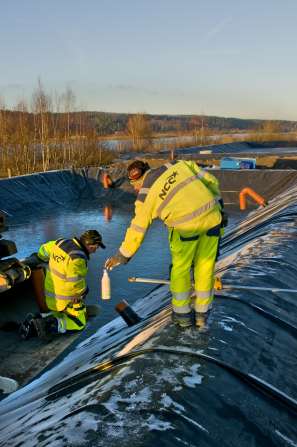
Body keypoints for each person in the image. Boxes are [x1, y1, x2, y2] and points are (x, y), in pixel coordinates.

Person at [105, 159, 226, 329]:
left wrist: (123, 255)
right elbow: (212, 181)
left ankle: (183, 316)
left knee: (180, 270)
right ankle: (202, 317)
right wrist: (219, 206)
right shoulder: (179, 164)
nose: (135, 189)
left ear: (137, 181)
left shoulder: (145, 197)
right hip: (212, 218)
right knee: (205, 267)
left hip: (186, 229)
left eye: (134, 186)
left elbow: (137, 229)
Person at [20, 230, 105, 341]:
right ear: (89, 245)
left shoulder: (61, 242)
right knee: (79, 323)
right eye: (95, 247)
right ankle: (48, 325)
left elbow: (44, 250)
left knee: (60, 313)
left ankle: (34, 321)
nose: (95, 251)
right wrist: (84, 292)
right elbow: (75, 284)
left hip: (50, 297)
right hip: (63, 301)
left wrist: (40, 257)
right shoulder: (78, 259)